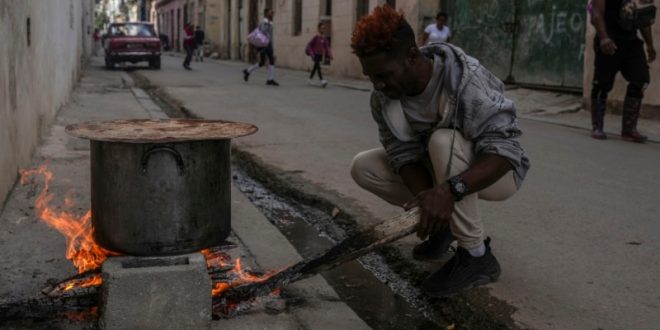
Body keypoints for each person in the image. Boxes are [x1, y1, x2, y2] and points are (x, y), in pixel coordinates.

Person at [349, 5, 530, 297]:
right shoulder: (382, 98)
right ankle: (444, 225)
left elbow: (506, 151)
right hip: (443, 176)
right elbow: (401, 153)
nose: (378, 85)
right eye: (371, 77)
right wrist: (429, 200)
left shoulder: (464, 80)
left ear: (411, 55)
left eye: (384, 75)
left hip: (497, 175)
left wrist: (447, 192)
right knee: (362, 166)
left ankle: (476, 255)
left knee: (442, 141)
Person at [589, 0, 655, 142]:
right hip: (609, 38)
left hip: (631, 42)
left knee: (641, 79)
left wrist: (650, 45)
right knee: (602, 84)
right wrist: (604, 38)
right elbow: (596, 14)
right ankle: (597, 126)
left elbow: (644, 18)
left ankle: (629, 130)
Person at [243, 8, 279, 86]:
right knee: (271, 60)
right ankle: (270, 79)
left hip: (266, 44)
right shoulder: (265, 22)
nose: (272, 13)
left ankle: (248, 71)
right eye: (270, 12)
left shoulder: (269, 22)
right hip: (265, 44)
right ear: (266, 14)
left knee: (263, 62)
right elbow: (263, 31)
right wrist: (269, 26)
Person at [306, 22, 334, 87]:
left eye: (324, 28)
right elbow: (309, 45)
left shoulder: (324, 38)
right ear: (318, 29)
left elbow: (327, 47)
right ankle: (322, 80)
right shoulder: (316, 37)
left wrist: (330, 54)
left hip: (320, 55)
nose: (323, 30)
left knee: (315, 67)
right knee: (318, 67)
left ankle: (310, 79)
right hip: (315, 54)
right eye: (321, 28)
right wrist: (311, 54)